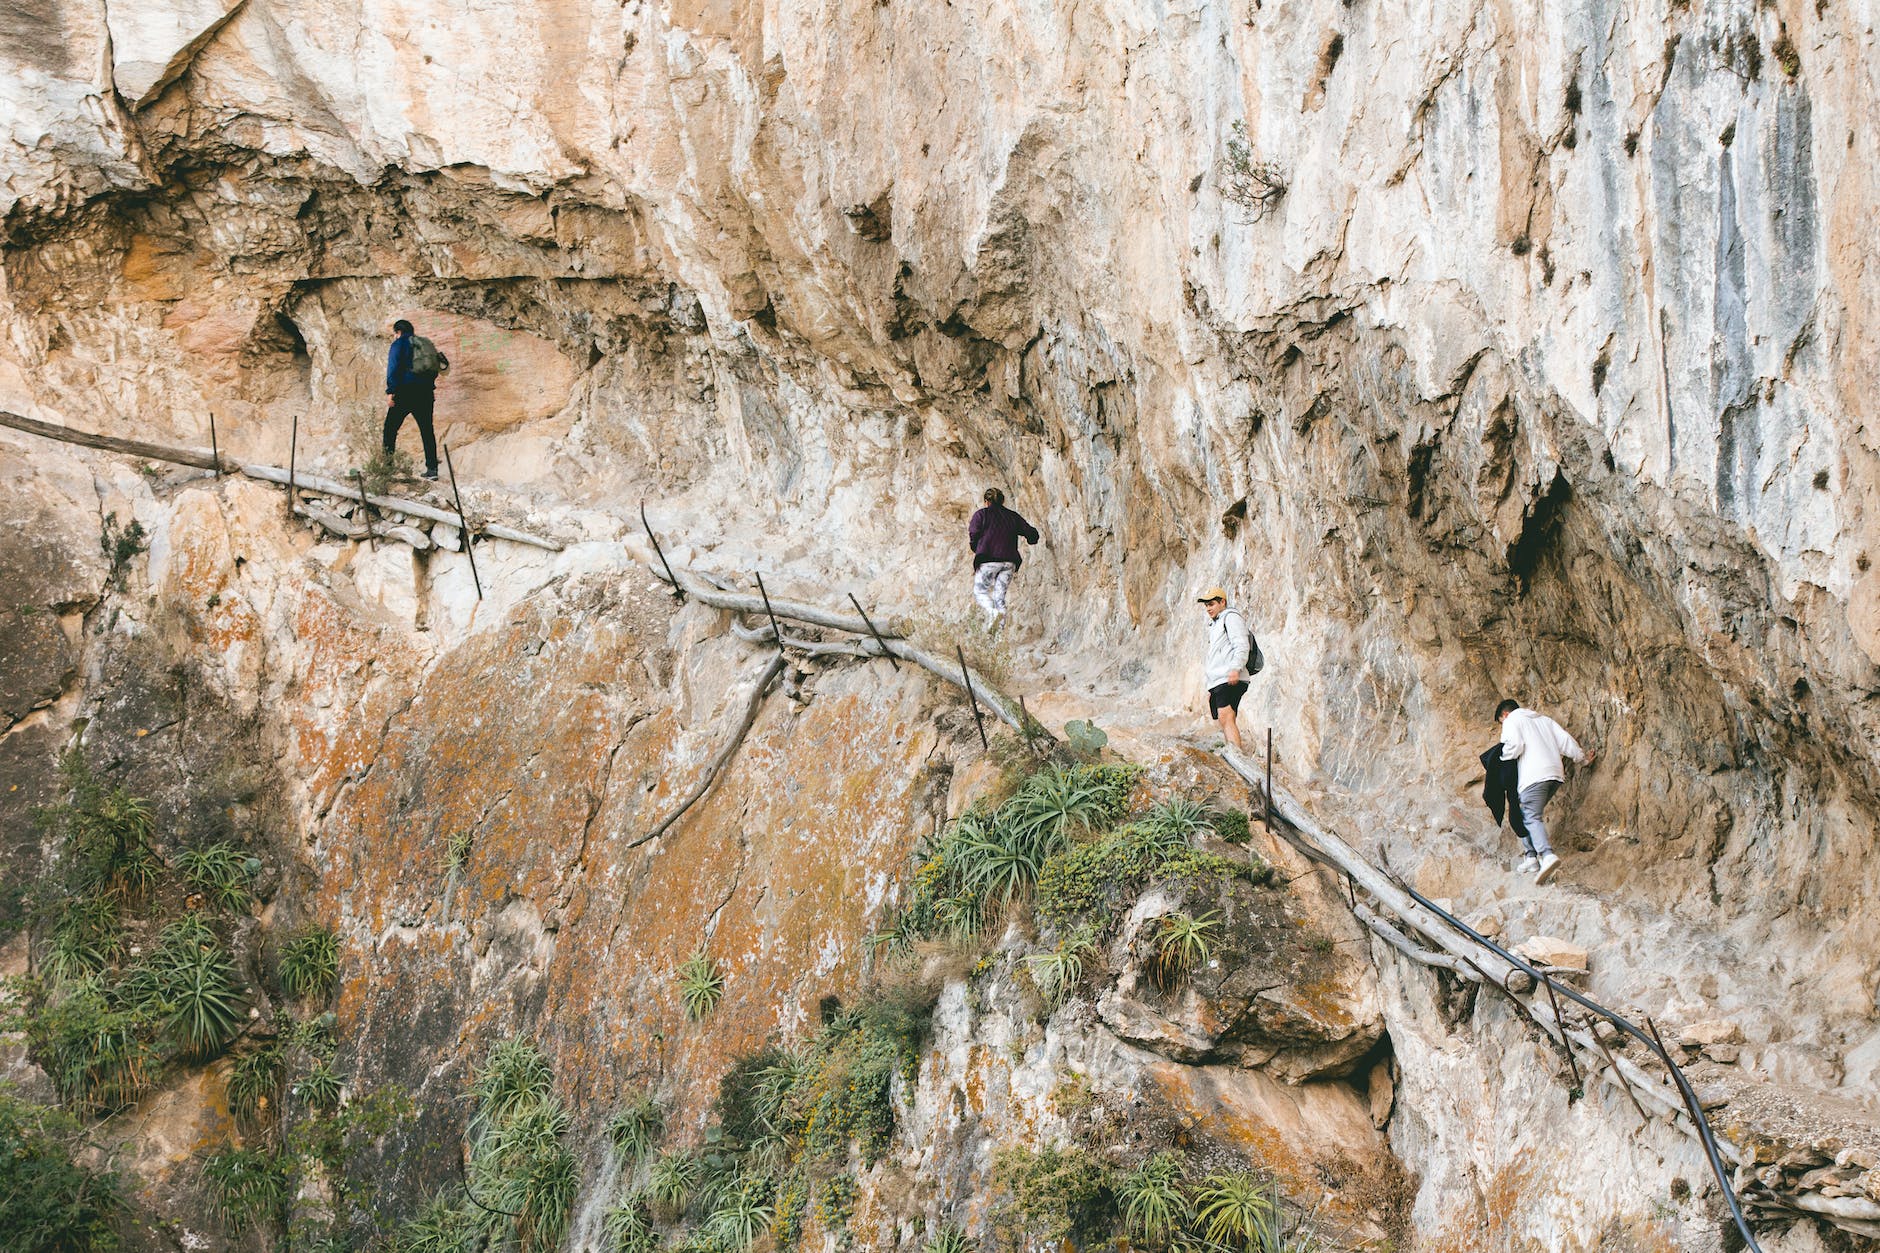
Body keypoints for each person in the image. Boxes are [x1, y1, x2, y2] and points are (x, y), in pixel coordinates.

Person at [1496, 698, 1595, 884]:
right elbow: (1565, 741)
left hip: (1534, 776)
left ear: (1505, 715)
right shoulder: (1544, 720)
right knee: (1522, 811)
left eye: (1501, 722)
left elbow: (1514, 746)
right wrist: (1582, 759)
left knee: (1530, 816)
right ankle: (1531, 858)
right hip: (1555, 775)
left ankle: (1546, 855)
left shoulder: (1512, 720)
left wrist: (1500, 759)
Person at [966, 488, 1039, 632]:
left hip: (988, 560)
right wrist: (1032, 538)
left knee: (980, 592)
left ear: (986, 502)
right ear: (1002, 500)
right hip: (1009, 562)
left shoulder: (981, 514)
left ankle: (992, 613)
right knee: (999, 598)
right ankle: (997, 639)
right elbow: (1031, 533)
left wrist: (979, 548)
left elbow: (973, 534)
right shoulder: (1012, 516)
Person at [384, 318, 443, 479]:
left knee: (390, 429)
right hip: (425, 393)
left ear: (398, 332)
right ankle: (432, 470)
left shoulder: (399, 344)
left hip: (404, 393)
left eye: (395, 333)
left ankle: (387, 468)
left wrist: (391, 392)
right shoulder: (423, 344)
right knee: (426, 430)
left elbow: (393, 368)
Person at [1198, 587, 1252, 754]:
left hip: (1229, 676)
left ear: (1223, 602)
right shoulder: (1216, 623)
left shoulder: (1231, 618)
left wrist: (1235, 668)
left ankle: (1237, 755)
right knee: (1226, 718)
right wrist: (1211, 685)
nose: (1208, 608)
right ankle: (1232, 752)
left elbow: (1242, 645)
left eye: (1212, 604)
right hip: (1220, 679)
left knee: (1226, 717)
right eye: (1206, 605)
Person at [1479, 741, 1538, 875]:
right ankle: (1532, 856)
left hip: (1524, 782)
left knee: (1525, 817)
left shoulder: (1513, 742)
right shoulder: (1509, 747)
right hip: (1520, 781)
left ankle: (1535, 856)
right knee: (1522, 817)